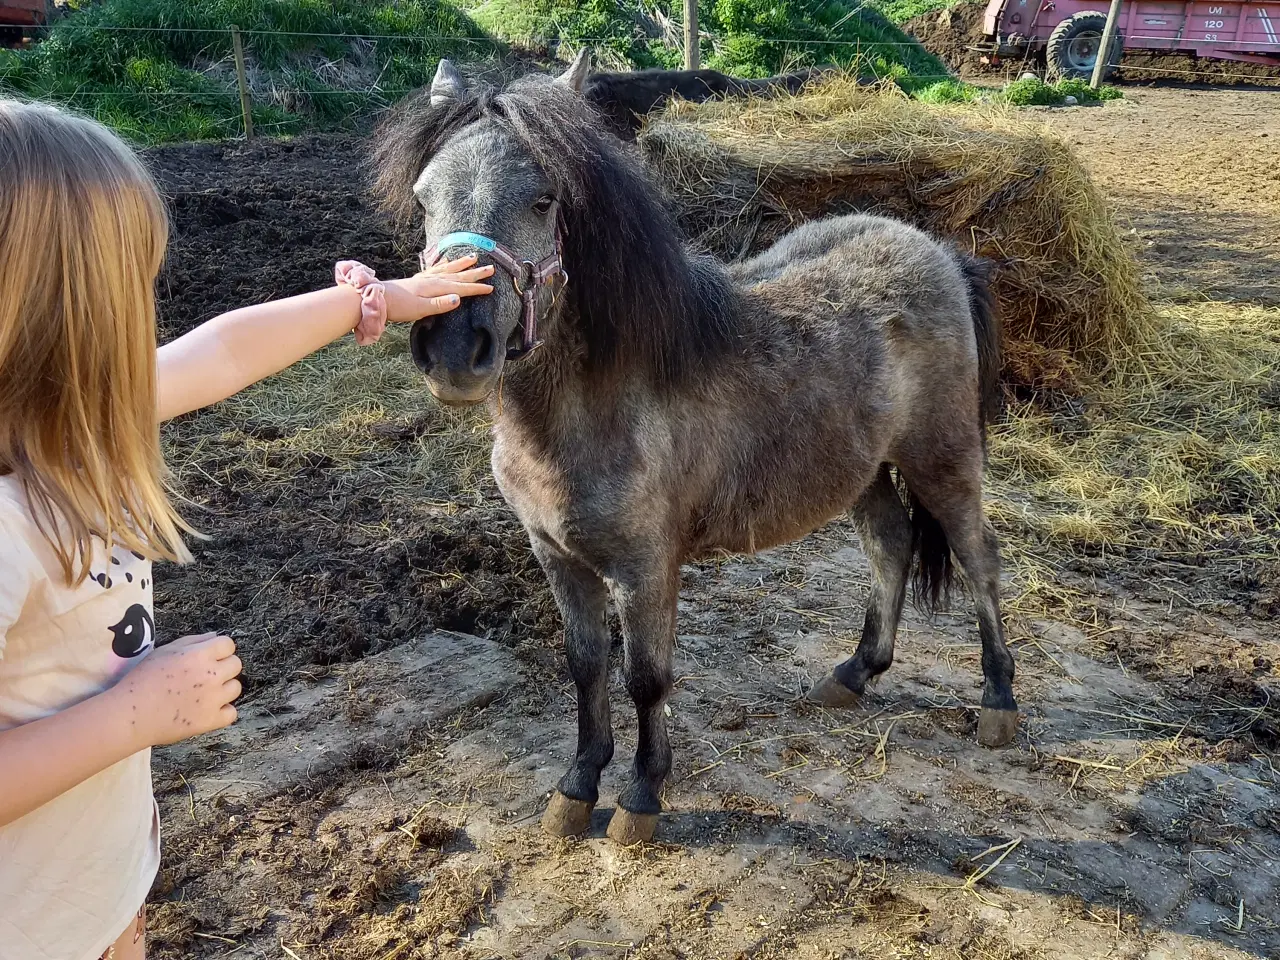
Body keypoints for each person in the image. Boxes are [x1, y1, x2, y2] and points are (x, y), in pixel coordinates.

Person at [0, 98, 493, 960]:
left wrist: (382, 300)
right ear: (56, 312)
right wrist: (134, 714)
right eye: (131, 283)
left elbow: (220, 353)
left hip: (92, 886)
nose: (146, 309)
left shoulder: (64, 420)